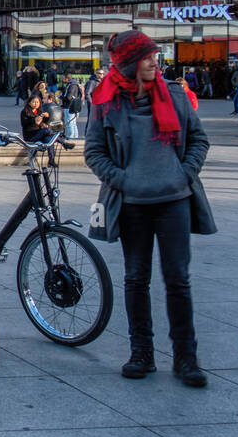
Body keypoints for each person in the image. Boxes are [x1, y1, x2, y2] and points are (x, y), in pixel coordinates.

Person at [86, 31, 213, 387]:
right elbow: (94, 152)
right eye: (146, 57)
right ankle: (141, 352)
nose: (154, 62)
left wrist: (183, 173)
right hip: (132, 205)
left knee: (178, 280)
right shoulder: (106, 100)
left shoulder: (174, 94)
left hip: (174, 201)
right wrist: (123, 181)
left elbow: (199, 138)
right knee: (135, 279)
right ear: (128, 63)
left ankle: (186, 359)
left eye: (155, 56)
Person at [63, 74, 83, 138]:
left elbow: (69, 97)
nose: (63, 79)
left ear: (67, 78)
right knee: (73, 123)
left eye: (64, 78)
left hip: (69, 106)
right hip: (73, 106)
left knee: (69, 123)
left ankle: (70, 137)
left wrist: (61, 97)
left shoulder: (71, 85)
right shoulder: (74, 84)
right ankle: (75, 137)